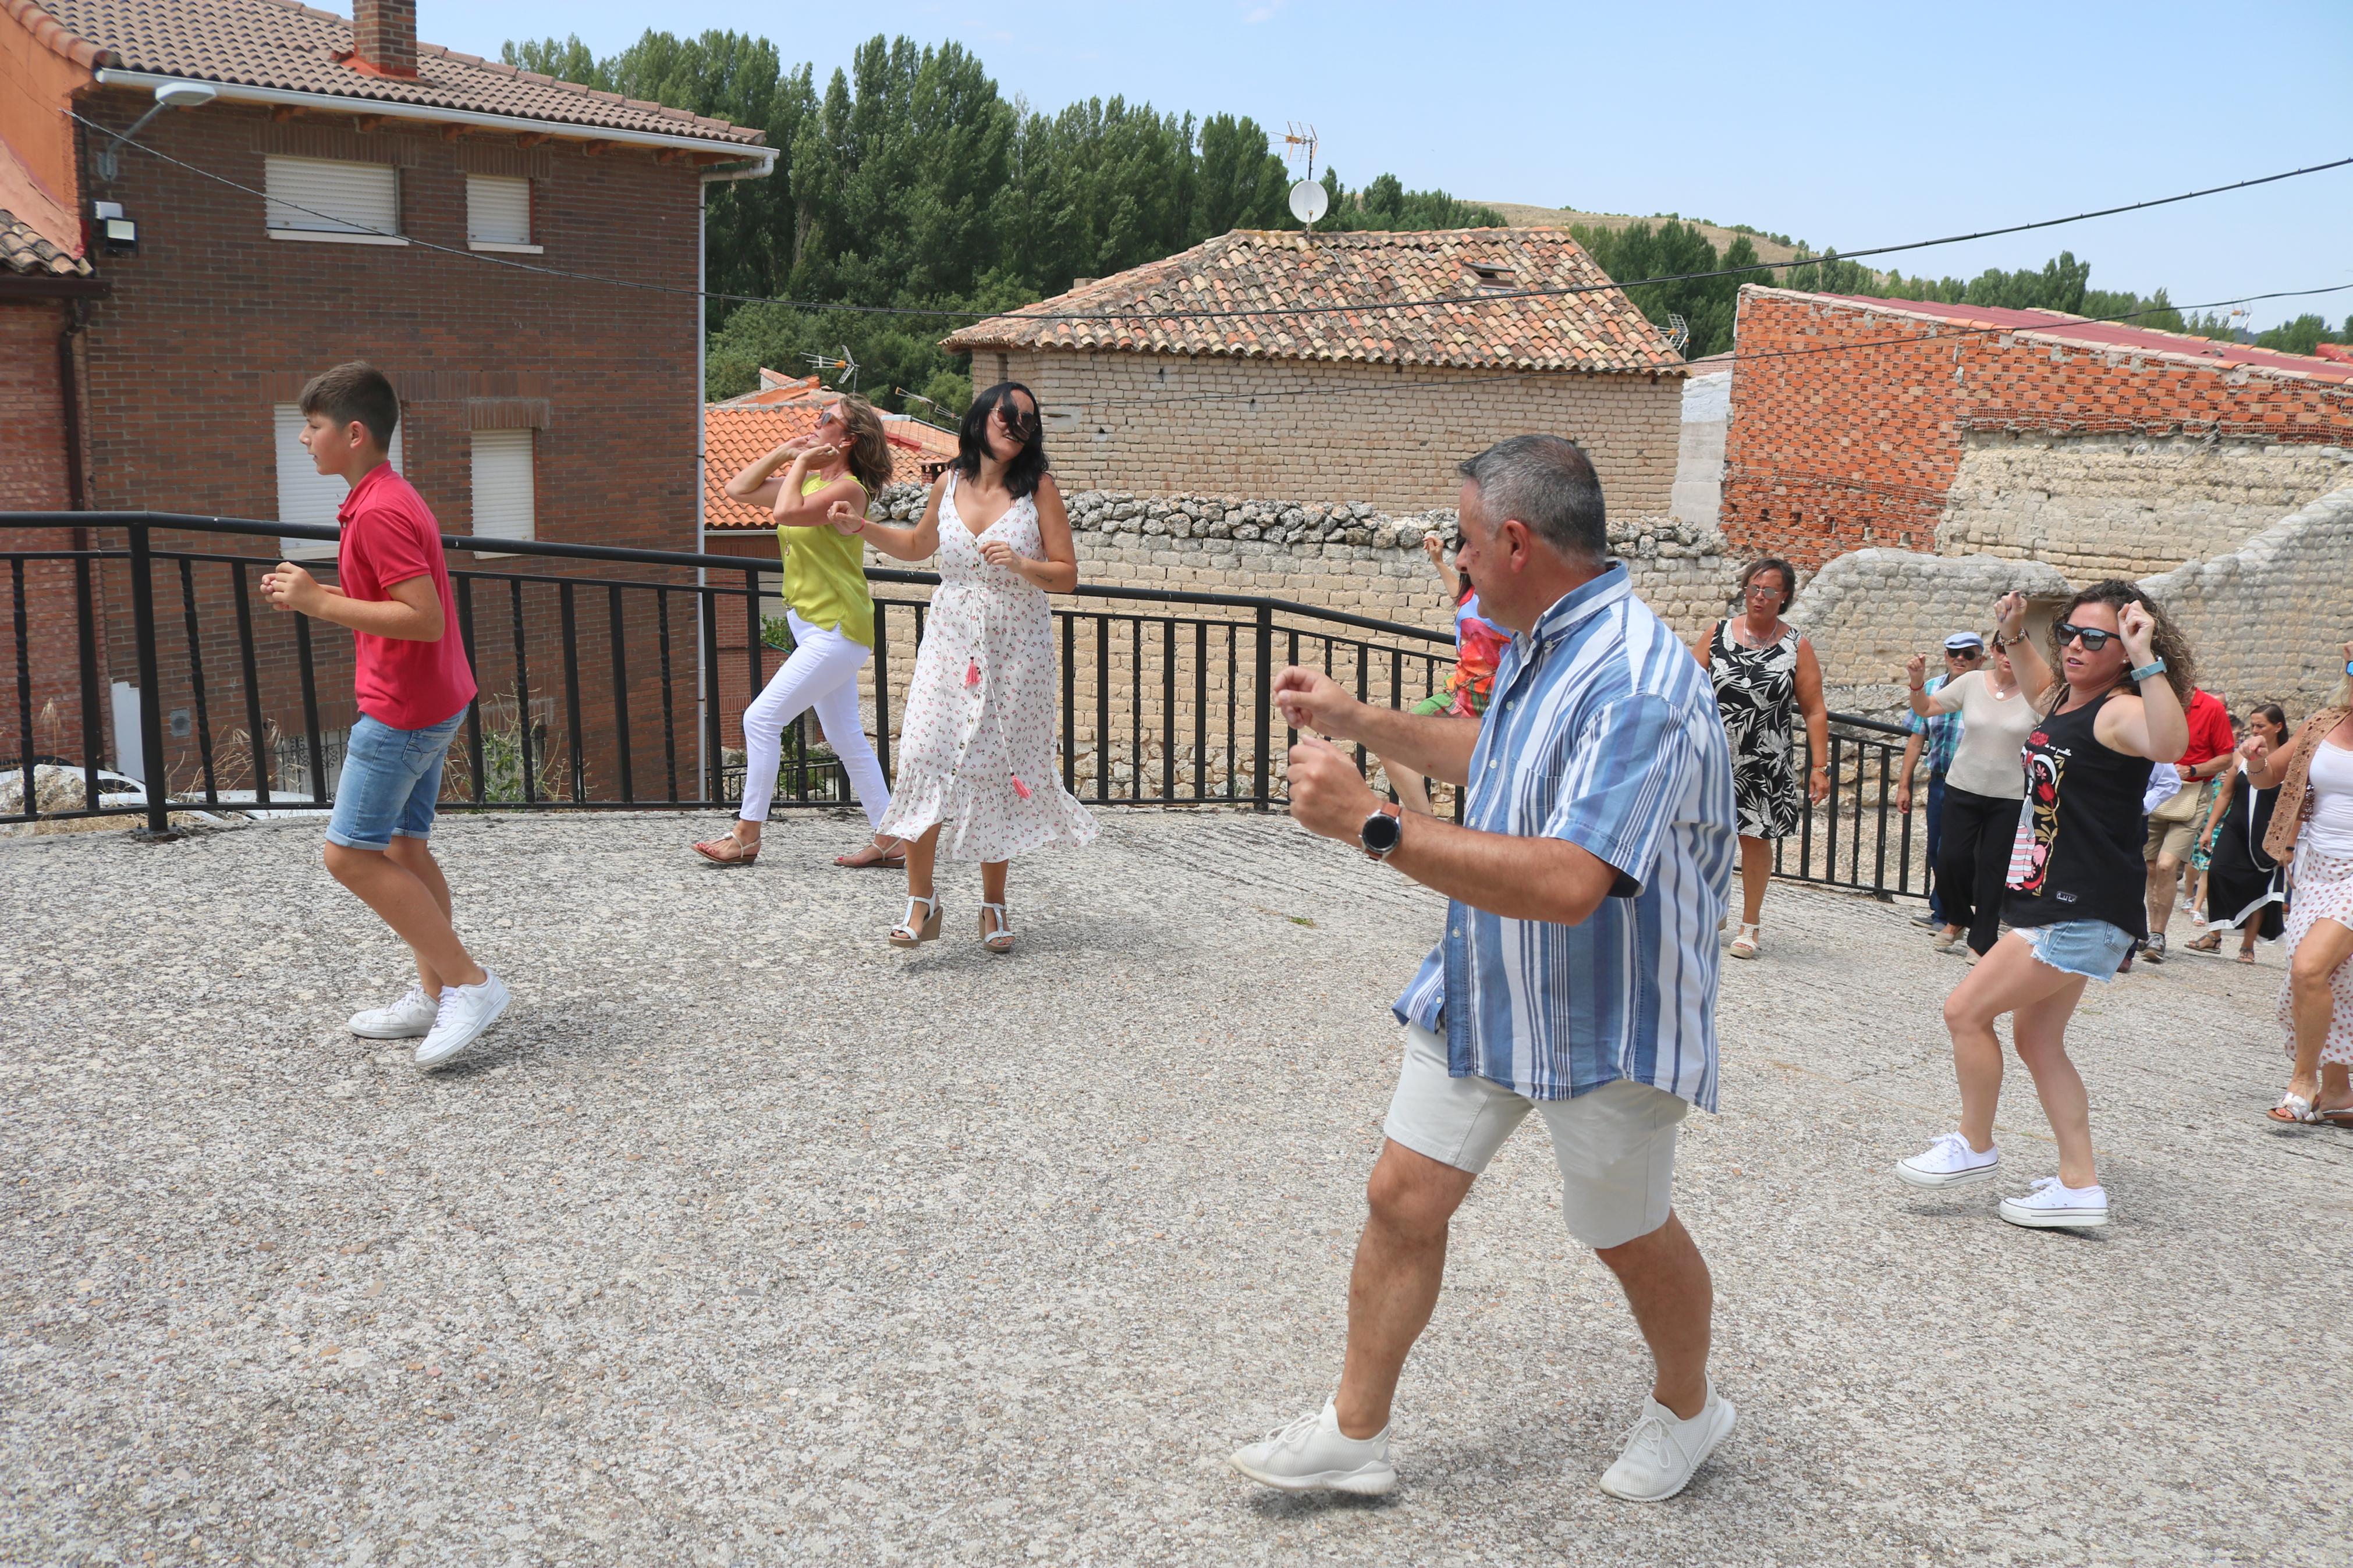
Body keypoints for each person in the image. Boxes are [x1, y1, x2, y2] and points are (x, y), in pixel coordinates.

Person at [1230, 436, 1738, 1503]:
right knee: (1402, 1196)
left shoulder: (1641, 684)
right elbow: (1500, 751)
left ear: (1514, 541)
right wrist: (1359, 720)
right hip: (1488, 985)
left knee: (1624, 1229)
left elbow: (1569, 883)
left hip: (1604, 1016)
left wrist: (1371, 823)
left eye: (1463, 542)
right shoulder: (1542, 638)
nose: (1456, 563)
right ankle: (1353, 1434)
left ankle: (1690, 1411)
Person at [1896, 584, 2191, 1229]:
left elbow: (2171, 745)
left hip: (2081, 902)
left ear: (2124, 650)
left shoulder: (2118, 710)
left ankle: (1974, 1144)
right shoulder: (2064, 699)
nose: (2076, 647)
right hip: (2054, 894)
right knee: (2037, 1038)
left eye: (2095, 639)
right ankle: (2079, 1186)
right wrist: (2010, 630)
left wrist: (2145, 660)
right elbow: (2034, 685)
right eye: (2069, 634)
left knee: (1964, 1010)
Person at [258, 362, 507, 1070]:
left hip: (403, 712)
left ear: (354, 433)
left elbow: (422, 620)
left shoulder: (378, 510)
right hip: (433, 700)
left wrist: (318, 602)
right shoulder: (382, 497)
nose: (305, 439)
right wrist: (322, 591)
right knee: (404, 847)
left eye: (313, 427)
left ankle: (471, 984)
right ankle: (436, 996)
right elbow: (400, 601)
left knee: (348, 854)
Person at [845, 383, 1096, 951]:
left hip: (1016, 649)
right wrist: (863, 530)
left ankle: (993, 905)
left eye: (1029, 421)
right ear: (983, 416)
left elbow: (1067, 575)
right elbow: (916, 545)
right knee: (921, 755)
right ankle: (921, 901)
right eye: (1009, 414)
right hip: (951, 639)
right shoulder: (949, 481)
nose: (1017, 425)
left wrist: (1022, 562)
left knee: (994, 768)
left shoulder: (1039, 490)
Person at [691, 399, 899, 870]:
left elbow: (787, 511)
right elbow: (737, 488)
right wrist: (788, 453)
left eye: (826, 419)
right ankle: (891, 837)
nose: (816, 423)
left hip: (837, 627)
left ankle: (746, 834)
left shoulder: (848, 489)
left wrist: (801, 462)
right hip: (815, 626)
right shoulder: (808, 479)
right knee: (846, 734)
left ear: (847, 439)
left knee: (759, 719)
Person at [1693, 558, 1829, 960]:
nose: (1759, 596)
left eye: (1769, 590)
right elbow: (1684, 683)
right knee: (1704, 833)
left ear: (1783, 595)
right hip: (1712, 754)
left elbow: (1815, 709)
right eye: (1754, 587)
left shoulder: (1795, 645)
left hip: (1764, 759)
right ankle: (1711, 908)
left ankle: (1749, 923)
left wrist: (1819, 767)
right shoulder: (1717, 633)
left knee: (1754, 839)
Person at [2243, 645, 2353, 1125]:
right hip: (2312, 869)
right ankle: (2338, 1091)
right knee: (2328, 980)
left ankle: (2302, 1083)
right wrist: (2253, 760)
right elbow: (2268, 777)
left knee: (2310, 968)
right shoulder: (2322, 723)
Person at [1904, 629, 2035, 959]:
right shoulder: (1973, 682)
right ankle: (1960, 916)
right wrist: (1917, 681)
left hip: (2010, 795)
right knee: (1949, 859)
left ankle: (1982, 939)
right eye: (2002, 648)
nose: (2008, 656)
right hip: (1962, 785)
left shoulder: (2037, 693)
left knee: (1993, 867)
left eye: (2015, 650)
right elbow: (1926, 708)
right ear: (1992, 650)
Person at [1376, 531, 1509, 815]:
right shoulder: (1472, 592)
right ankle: (1427, 824)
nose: (1463, 562)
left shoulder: (1516, 601)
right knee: (1390, 742)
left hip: (1501, 709)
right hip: (1457, 699)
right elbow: (1460, 599)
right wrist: (1438, 562)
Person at [1897, 632, 1987, 940]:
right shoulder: (1932, 688)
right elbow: (1917, 738)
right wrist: (1904, 784)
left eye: (1968, 654)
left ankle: (1953, 913)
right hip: (1941, 781)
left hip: (1975, 785)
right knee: (1938, 850)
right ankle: (1944, 910)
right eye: (1953, 653)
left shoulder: (1987, 690)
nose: (1960, 659)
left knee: (1958, 853)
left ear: (1981, 660)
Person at [2138, 684, 2235, 962]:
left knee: (2168, 865)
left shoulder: (2211, 708)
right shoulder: (2153, 700)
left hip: (2191, 795)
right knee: (2149, 866)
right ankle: (2144, 931)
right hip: (2155, 793)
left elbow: (2226, 758)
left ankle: (2158, 935)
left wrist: (2193, 769)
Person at [2185, 705, 2289, 962]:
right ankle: (2214, 934)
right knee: (2218, 872)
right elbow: (2226, 793)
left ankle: (2248, 946)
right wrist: (2209, 828)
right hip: (2236, 826)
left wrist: (2288, 842)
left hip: (2268, 832)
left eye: (2261, 726)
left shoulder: (2289, 759)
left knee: (2260, 884)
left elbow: (2294, 803)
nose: (2255, 731)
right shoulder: (2239, 757)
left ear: (2278, 727)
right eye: (2253, 725)